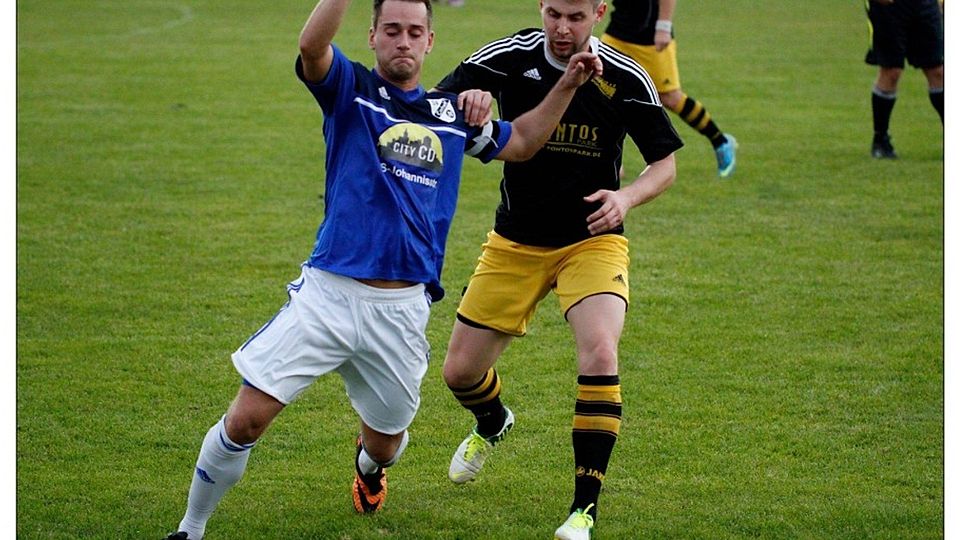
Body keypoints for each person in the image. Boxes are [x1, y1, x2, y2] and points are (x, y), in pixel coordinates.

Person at [162, 0, 602, 537]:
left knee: (387, 443)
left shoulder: (451, 114)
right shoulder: (351, 90)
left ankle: (369, 465)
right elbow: (312, 47)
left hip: (401, 311)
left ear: (430, 42)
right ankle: (190, 527)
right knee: (246, 420)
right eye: (391, 30)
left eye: (414, 31)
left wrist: (568, 83)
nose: (403, 41)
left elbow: (526, 141)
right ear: (372, 36)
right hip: (328, 295)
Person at [433, 0, 683, 538]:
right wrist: (466, 100)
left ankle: (582, 510)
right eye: (553, 14)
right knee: (459, 374)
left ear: (599, 12)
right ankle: (493, 421)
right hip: (516, 241)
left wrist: (626, 198)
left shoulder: (625, 75)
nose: (562, 28)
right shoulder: (509, 57)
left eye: (575, 16)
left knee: (600, 351)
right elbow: (432, 103)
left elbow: (665, 163)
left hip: (592, 241)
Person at [600, 0, 737, 178]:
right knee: (601, 91)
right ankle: (608, 159)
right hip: (616, 34)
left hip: (650, 38)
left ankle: (720, 141)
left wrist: (663, 26)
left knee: (670, 98)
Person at [864, 0, 944, 159]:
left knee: (937, 70)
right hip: (887, 7)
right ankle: (880, 139)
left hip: (925, 4)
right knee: (891, 71)